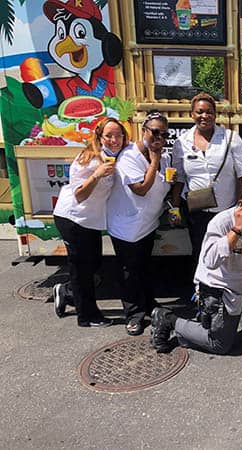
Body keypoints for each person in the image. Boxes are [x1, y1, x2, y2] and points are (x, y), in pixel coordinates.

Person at [150, 184, 242, 355]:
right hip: (220, 289)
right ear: (241, 203)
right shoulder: (222, 222)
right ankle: (169, 320)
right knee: (219, 344)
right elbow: (210, 261)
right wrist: (237, 230)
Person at [52, 117, 128, 327]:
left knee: (94, 264)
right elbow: (79, 195)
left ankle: (65, 291)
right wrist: (96, 175)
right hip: (73, 218)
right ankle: (87, 316)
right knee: (82, 268)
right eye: (109, 136)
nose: (114, 140)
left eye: (118, 135)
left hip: (91, 221)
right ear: (100, 137)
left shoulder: (116, 155)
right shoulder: (88, 158)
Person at [107, 111, 175, 336]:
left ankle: (148, 304)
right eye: (155, 132)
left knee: (145, 268)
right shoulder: (129, 157)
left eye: (164, 134)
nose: (160, 138)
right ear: (143, 130)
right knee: (129, 272)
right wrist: (155, 160)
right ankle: (133, 315)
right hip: (126, 227)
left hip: (147, 224)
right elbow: (142, 189)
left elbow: (163, 185)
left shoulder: (164, 157)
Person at [171, 92, 242, 268]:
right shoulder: (181, 142)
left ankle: (224, 291)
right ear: (192, 114)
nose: (204, 116)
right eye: (199, 112)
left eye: (209, 112)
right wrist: (175, 207)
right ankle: (200, 291)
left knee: (227, 251)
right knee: (199, 250)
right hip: (196, 210)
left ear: (215, 114)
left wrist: (240, 206)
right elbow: (180, 178)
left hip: (226, 209)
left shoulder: (231, 138)